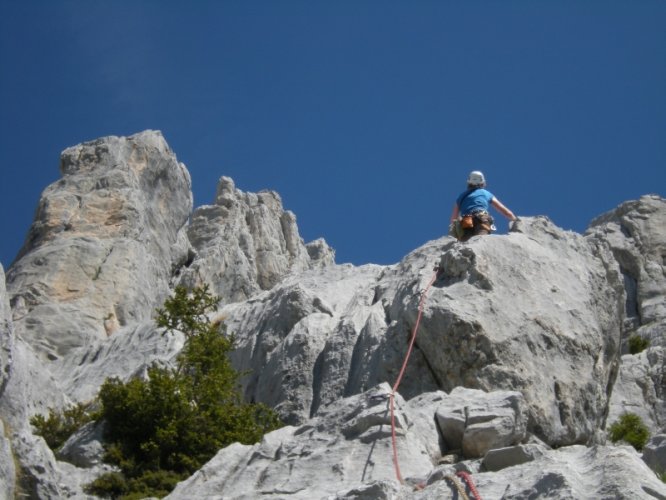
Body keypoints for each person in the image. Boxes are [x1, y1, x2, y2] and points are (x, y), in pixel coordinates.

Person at [449, 170, 517, 242]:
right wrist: (515, 221)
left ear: (469, 182)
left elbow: (453, 220)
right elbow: (505, 211)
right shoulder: (486, 193)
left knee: (466, 243)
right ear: (483, 182)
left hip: (466, 221)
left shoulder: (461, 197)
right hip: (482, 217)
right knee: (481, 240)